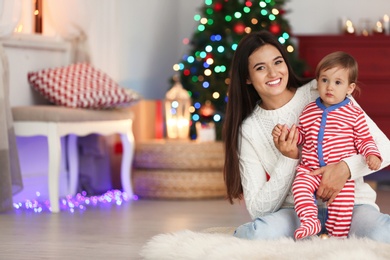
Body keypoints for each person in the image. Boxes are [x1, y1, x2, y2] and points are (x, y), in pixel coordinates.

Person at [223, 30, 390, 242]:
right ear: (247, 77)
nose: (273, 73)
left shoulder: (321, 89)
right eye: (260, 68)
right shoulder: (250, 129)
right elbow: (258, 209)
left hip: (352, 204)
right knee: (257, 233)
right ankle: (311, 229)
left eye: (277, 62)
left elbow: (385, 148)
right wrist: (289, 157)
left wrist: (345, 169)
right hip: (296, 213)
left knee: (383, 233)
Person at [271, 51, 382, 240]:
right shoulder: (309, 110)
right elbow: (302, 136)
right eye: (324, 80)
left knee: (342, 206)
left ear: (349, 88)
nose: (330, 87)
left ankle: (336, 237)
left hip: (340, 175)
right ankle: (310, 221)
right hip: (310, 169)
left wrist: (372, 155)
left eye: (338, 82)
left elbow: (364, 140)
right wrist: (286, 135)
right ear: (317, 82)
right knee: (300, 187)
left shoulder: (354, 114)